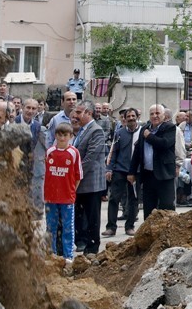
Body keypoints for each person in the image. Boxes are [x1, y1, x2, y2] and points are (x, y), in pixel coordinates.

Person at [128, 104, 177, 218]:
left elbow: (164, 144)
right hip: (148, 175)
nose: (155, 116)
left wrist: (149, 137)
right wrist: (132, 171)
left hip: (164, 175)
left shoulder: (169, 127)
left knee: (167, 207)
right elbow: (137, 151)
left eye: (157, 113)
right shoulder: (145, 129)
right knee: (149, 208)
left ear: (164, 115)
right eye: (152, 114)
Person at [44, 122, 81, 270]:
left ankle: (68, 256)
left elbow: (78, 176)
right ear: (55, 136)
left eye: (65, 135)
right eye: (59, 135)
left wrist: (71, 191)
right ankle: (52, 254)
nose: (62, 138)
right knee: (51, 227)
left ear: (70, 136)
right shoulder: (50, 152)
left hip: (67, 197)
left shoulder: (73, 153)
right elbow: (47, 175)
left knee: (68, 227)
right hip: (51, 197)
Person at [71, 103, 106, 256]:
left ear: (89, 113)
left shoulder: (96, 130)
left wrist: (75, 174)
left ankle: (92, 247)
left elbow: (90, 157)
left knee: (92, 216)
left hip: (91, 182)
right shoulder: (81, 131)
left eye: (79, 112)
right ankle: (82, 242)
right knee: (80, 214)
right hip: (80, 182)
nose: (76, 115)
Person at [105, 107, 140, 236]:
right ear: (124, 119)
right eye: (128, 116)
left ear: (137, 117)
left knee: (133, 199)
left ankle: (130, 226)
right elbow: (113, 152)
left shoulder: (142, 132)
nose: (131, 118)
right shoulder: (119, 133)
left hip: (135, 171)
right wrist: (109, 168)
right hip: (120, 169)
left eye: (133, 116)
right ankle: (111, 227)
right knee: (114, 198)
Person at [20, 98, 47, 214]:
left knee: (36, 194)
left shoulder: (38, 127)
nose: (30, 111)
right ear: (22, 108)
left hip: (34, 167)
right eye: (28, 107)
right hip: (17, 166)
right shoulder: (13, 122)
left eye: (34, 108)